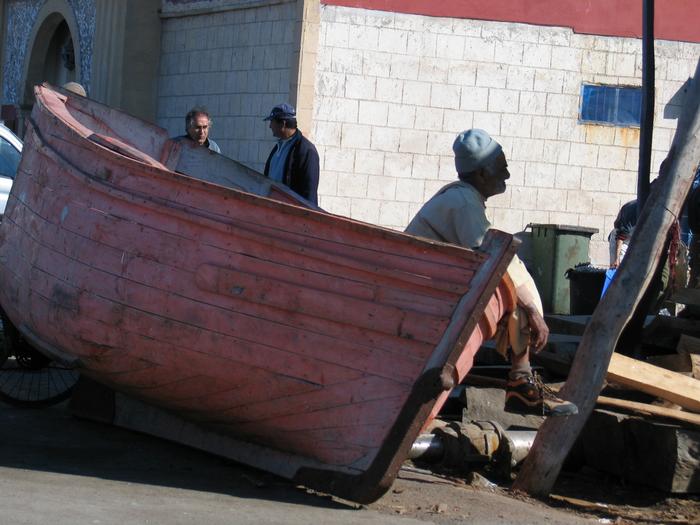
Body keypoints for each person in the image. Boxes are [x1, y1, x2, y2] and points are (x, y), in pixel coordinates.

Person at [406, 129, 578, 417]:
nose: (507, 175)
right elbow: (492, 266)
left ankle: (521, 381)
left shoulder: (463, 199)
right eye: (502, 167)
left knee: (514, 279)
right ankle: (521, 384)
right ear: (483, 173)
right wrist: (532, 311)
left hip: (437, 289)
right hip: (424, 295)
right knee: (511, 294)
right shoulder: (462, 204)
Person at [263, 103, 319, 204]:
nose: (270, 126)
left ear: (283, 124)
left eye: (272, 121)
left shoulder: (306, 151)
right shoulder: (278, 147)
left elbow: (309, 194)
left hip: (289, 214)